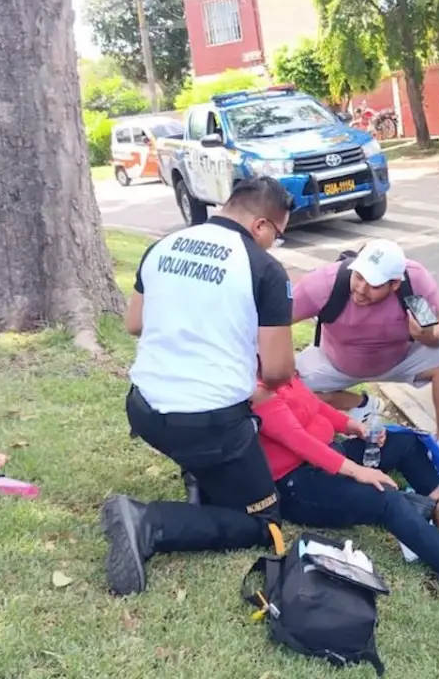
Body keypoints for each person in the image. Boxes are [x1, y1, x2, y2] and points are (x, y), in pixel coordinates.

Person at [100, 177, 297, 596]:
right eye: (278, 235)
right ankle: (148, 523)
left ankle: (200, 477)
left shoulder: (164, 246)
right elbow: (279, 370)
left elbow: (134, 323)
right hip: (209, 425)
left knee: (216, 460)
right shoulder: (263, 269)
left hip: (144, 410)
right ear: (262, 225)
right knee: (266, 523)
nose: (274, 244)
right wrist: (256, 390)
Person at [250, 377, 439, 600]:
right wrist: (359, 471)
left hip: (331, 453)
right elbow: (301, 442)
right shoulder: (257, 391)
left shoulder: (281, 373)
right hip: (299, 483)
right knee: (385, 497)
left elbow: (317, 408)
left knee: (405, 443)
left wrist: (354, 426)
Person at [291, 238, 439, 477]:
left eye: (374, 284)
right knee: (284, 386)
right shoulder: (324, 283)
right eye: (358, 277)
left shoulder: (416, 282)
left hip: (400, 358)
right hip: (337, 362)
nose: (361, 289)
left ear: (395, 284)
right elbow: (275, 319)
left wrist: (427, 334)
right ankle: (361, 405)